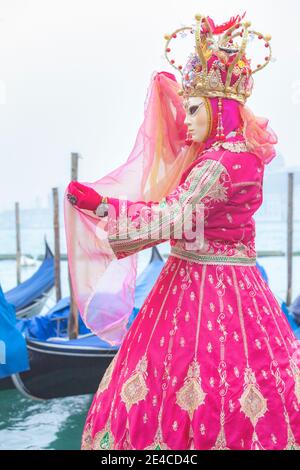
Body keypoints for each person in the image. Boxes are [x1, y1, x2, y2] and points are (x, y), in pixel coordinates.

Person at [64, 13, 300, 450]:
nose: (184, 121)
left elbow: (171, 218)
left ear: (218, 108)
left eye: (194, 109)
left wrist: (102, 207)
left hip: (199, 286)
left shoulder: (214, 164)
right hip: (245, 287)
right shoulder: (245, 155)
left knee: (185, 386)